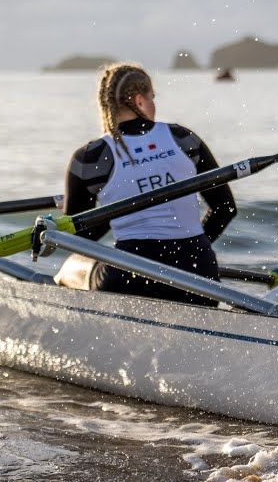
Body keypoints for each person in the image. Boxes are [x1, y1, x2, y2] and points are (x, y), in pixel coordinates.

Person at [61, 62, 237, 306]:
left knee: (71, 267)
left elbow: (75, 237)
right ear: (139, 100)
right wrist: (188, 252)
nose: (154, 104)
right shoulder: (184, 139)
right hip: (198, 273)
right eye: (153, 97)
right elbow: (225, 208)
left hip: (129, 277)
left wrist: (117, 214)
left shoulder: (89, 157)